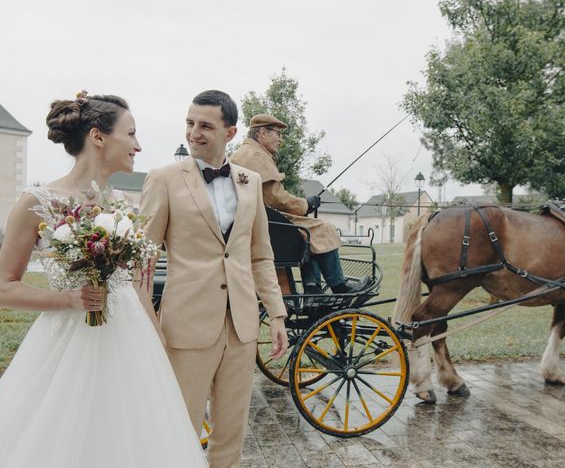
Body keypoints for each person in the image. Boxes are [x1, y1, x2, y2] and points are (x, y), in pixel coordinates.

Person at [0, 93, 208, 467]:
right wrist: (67, 299)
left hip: (132, 342)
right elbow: (4, 286)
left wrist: (156, 333)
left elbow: (132, 282)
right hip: (67, 344)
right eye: (130, 134)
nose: (138, 145)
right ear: (98, 137)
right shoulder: (36, 202)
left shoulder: (124, 207)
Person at [138, 90, 288, 468]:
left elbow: (260, 254)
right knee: (180, 427)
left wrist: (278, 314)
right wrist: (148, 321)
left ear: (231, 132)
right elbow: (142, 258)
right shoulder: (164, 179)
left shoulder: (250, 180)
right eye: (190, 123)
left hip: (241, 326)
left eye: (205, 125)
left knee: (231, 432)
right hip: (186, 325)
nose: (194, 133)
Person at [230, 113, 370, 294]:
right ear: (263, 133)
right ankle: (339, 285)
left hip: (257, 222)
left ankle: (312, 288)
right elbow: (276, 198)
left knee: (307, 234)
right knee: (323, 228)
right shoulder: (254, 156)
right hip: (264, 226)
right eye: (277, 134)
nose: (280, 140)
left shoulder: (244, 154)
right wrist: (306, 204)